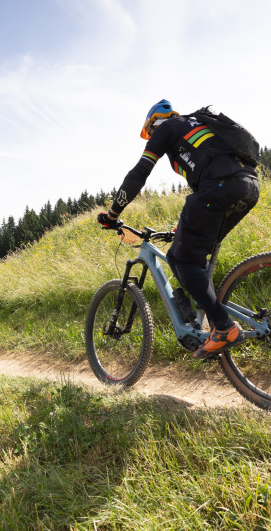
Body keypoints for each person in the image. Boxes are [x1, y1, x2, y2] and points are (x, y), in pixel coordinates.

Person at [98, 99, 260, 359]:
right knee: (195, 257)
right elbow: (207, 173)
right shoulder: (195, 127)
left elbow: (140, 173)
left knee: (179, 258)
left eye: (149, 132)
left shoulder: (166, 127)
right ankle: (206, 323)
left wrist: (113, 213)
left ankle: (224, 327)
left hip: (219, 187)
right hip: (248, 186)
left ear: (154, 123)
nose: (151, 137)